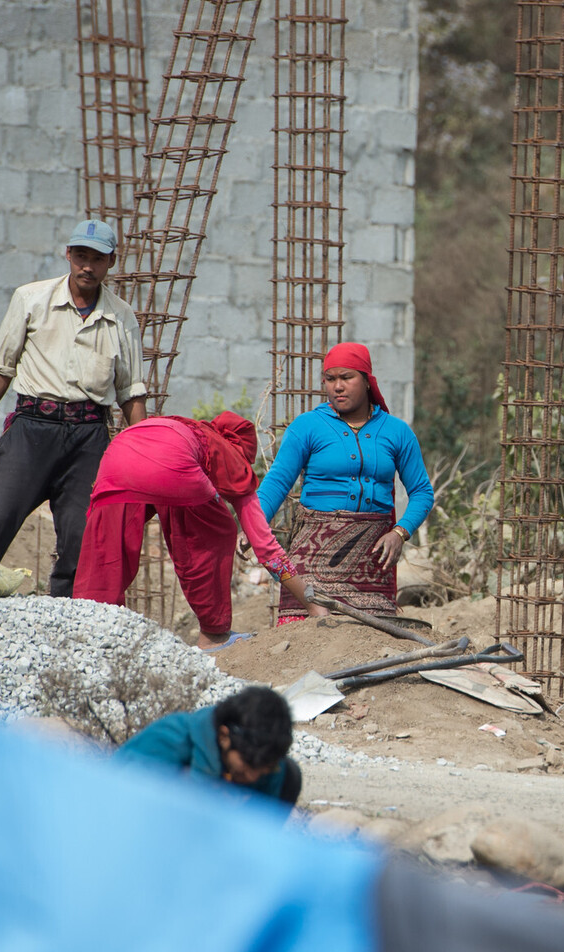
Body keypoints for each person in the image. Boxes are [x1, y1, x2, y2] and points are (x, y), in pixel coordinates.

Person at [0, 219, 148, 596]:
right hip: (31, 430)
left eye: (97, 259)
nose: (87, 266)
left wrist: (139, 457)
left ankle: (62, 618)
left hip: (89, 437)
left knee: (81, 539)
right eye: (80, 256)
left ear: (111, 263)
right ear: (68, 256)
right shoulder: (30, 299)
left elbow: (131, 393)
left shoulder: (122, 317)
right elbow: (1, 368)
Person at [73, 412, 328, 650]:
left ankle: (91, 629)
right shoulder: (228, 454)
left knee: (106, 544)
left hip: (117, 453)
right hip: (172, 462)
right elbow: (265, 545)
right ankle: (213, 635)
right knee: (219, 530)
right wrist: (311, 604)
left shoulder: (189, 431)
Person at [257, 342, 434, 621]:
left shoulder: (397, 432)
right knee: (306, 638)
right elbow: (277, 482)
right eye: (330, 379)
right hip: (312, 559)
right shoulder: (307, 427)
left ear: (366, 381)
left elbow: (422, 492)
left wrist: (400, 533)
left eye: (346, 377)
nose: (337, 386)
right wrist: (253, 526)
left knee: (369, 645)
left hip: (374, 561)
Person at [114, 686, 302, 811]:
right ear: (224, 736)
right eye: (248, 764)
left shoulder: (274, 772)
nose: (253, 777)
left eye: (265, 769)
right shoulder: (168, 741)